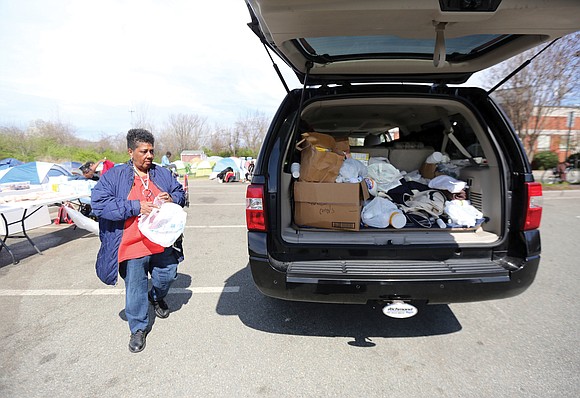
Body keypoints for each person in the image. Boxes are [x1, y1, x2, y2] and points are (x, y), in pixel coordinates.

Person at [91, 129, 186, 353]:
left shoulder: (161, 173)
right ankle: (138, 327)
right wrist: (135, 207)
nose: (149, 156)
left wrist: (172, 198)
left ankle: (155, 297)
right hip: (131, 244)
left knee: (168, 274)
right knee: (135, 286)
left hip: (160, 241)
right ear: (130, 151)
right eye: (144, 151)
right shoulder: (115, 176)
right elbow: (99, 204)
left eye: (152, 151)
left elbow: (180, 193)